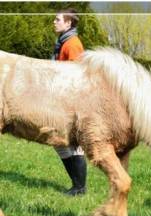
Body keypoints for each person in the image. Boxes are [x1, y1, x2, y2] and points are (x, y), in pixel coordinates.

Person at [52, 8, 87, 196]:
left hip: (71, 101)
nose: (54, 22)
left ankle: (80, 187)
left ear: (68, 23)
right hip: (62, 99)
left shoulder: (72, 44)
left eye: (58, 20)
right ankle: (77, 185)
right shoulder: (63, 42)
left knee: (72, 143)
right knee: (59, 142)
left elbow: (76, 76)